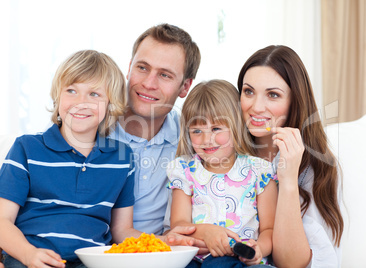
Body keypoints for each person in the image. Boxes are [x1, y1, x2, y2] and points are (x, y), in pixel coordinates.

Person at [0, 50, 194, 268]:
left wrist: (162, 242)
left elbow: (122, 231)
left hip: (90, 260)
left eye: (94, 95)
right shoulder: (27, 148)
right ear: (57, 96)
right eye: (71, 91)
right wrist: (28, 255)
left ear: (111, 103)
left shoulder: (122, 158)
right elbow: (2, 220)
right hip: (28, 257)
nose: (81, 102)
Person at [238, 45, 344, 267]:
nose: (256, 107)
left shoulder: (318, 167)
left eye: (273, 95)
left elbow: (292, 264)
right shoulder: (221, 151)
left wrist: (287, 180)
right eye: (248, 91)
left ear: (295, 101)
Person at [167, 80, 278, 267]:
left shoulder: (259, 171)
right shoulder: (184, 170)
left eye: (216, 129)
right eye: (196, 131)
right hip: (198, 258)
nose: (207, 140)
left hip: (243, 260)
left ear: (235, 126)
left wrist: (259, 248)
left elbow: (269, 228)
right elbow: (179, 225)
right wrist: (206, 232)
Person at [109, 23, 202, 237]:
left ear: (185, 87)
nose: (149, 83)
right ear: (129, 67)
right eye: (142, 68)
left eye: (165, 75)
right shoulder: (90, 127)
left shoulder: (194, 140)